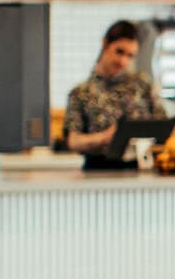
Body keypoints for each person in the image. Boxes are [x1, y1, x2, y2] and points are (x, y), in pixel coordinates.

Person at [64, 20, 164, 169]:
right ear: (105, 44)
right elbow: (73, 141)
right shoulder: (81, 92)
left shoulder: (142, 85)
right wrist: (104, 137)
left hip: (141, 168)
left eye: (130, 56)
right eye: (119, 52)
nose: (123, 61)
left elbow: (163, 123)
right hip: (98, 171)